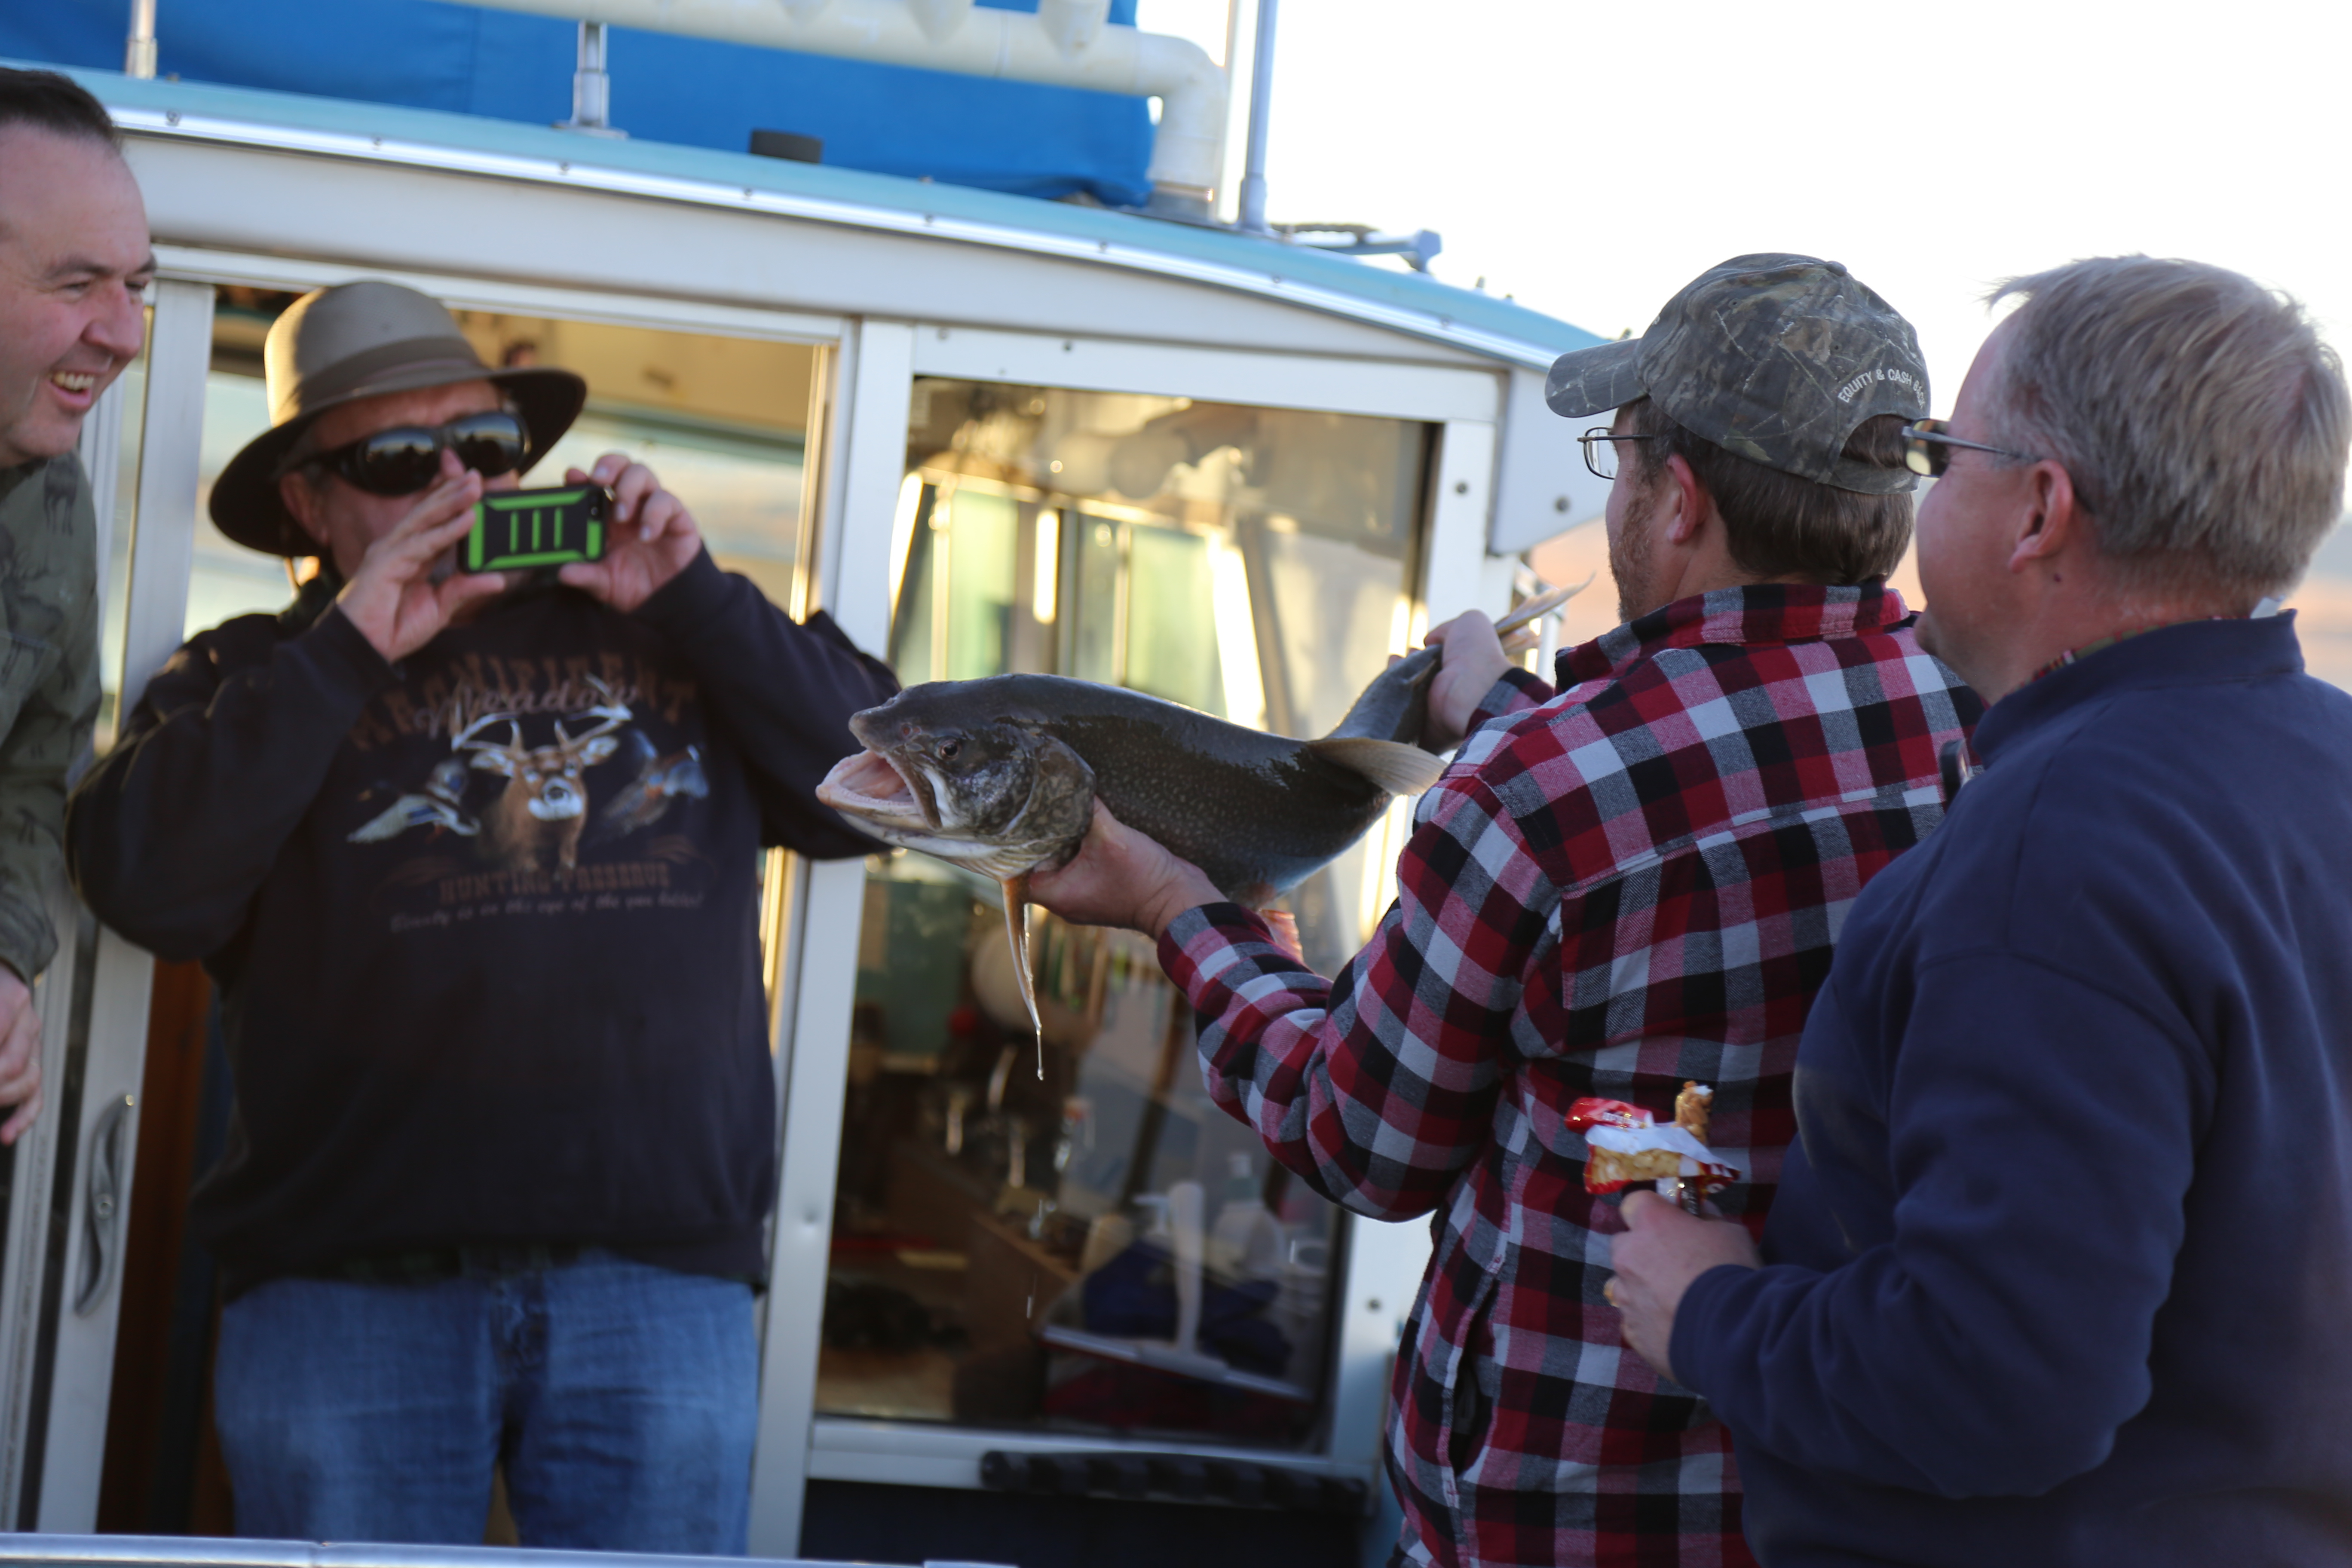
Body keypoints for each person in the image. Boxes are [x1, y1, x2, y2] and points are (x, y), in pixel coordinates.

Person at [1028, 255, 1981, 1568]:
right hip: (1839, 1516)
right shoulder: (1985, 731)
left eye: (1624, 461)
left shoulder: (1541, 794)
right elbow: (1721, 772)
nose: (1621, 497)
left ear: (1682, 501)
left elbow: (1359, 1133)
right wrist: (1495, 712)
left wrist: (1183, 909)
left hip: (1561, 1521)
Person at [65, 280, 895, 1551]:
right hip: (347, 1298)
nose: (460, 486)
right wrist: (351, 649)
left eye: (490, 450)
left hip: (656, 1286)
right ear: (308, 502)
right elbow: (146, 884)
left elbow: (884, 797)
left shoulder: (672, 631)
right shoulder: (249, 674)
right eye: (403, 461)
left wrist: (697, 595)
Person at [1608, 256, 2352, 1565]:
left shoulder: (2064, 840)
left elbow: (1996, 1378)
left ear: (2038, 512)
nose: (1917, 494)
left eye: (1944, 456)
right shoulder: (2323, 761)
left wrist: (1708, 1308)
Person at [0, 68, 146, 1144]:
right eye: (79, 284)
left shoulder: (56, 496)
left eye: (136, 283)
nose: (128, 332)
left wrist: (5, 956)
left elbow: (32, 770)